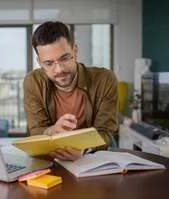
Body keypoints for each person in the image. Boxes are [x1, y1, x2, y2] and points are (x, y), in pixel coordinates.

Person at [23, 21, 118, 161]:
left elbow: (105, 131)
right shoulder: (33, 81)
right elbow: (35, 130)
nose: (59, 69)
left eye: (65, 58)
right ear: (39, 62)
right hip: (52, 157)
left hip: (92, 156)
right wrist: (53, 131)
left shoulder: (104, 79)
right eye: (48, 63)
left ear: (75, 50)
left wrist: (83, 150)